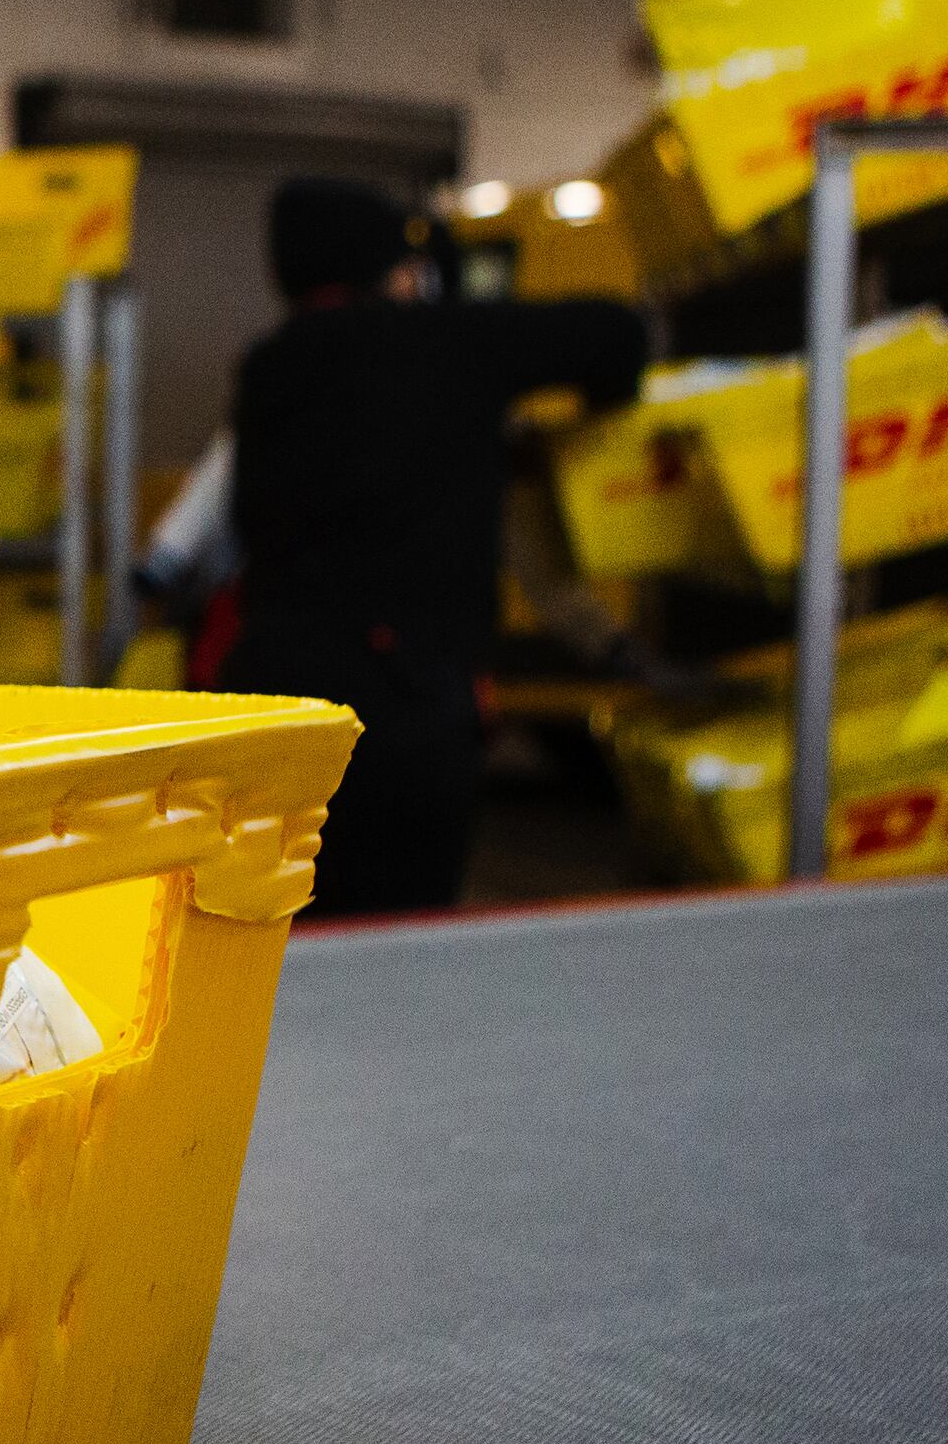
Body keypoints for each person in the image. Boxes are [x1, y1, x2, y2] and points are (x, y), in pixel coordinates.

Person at [213, 178, 648, 915]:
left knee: (287, 935)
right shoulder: (451, 341)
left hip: (277, 703)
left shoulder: (268, 368)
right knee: (399, 942)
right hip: (405, 709)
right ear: (394, 270)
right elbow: (618, 334)